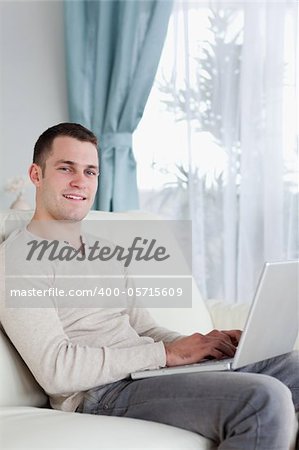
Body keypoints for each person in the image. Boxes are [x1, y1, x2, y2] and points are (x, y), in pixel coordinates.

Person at [0, 122, 298, 450]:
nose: (79, 182)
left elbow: (144, 328)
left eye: (90, 172)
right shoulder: (18, 259)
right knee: (262, 400)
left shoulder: (104, 251)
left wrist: (202, 345)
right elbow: (56, 369)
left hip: (144, 373)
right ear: (36, 174)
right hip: (101, 393)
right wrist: (165, 355)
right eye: (65, 168)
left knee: (291, 366)